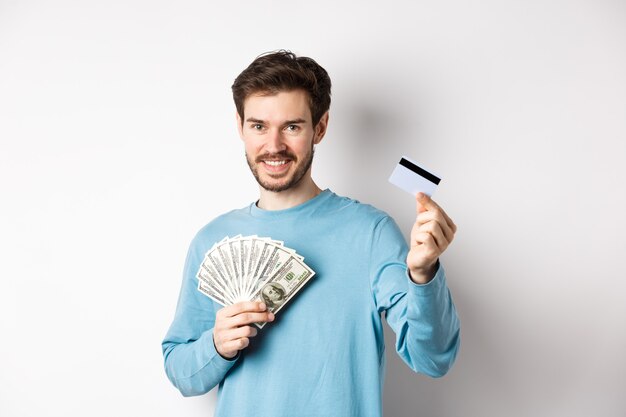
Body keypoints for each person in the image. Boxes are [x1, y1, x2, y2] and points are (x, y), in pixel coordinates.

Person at [162, 50, 460, 417]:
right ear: (239, 126)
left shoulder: (370, 232)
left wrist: (423, 275)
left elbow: (434, 359)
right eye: (259, 126)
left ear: (320, 127)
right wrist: (216, 345)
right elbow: (180, 371)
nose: (274, 146)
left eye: (292, 126)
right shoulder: (212, 239)